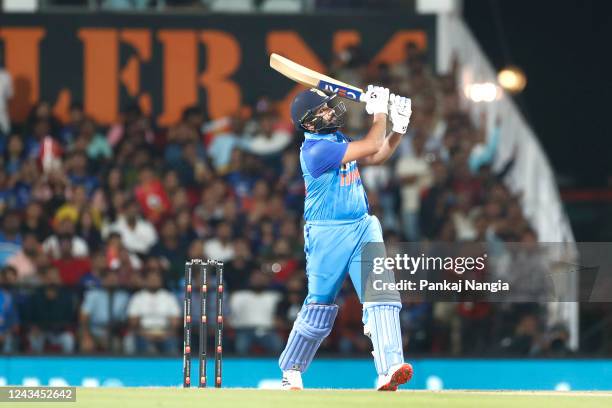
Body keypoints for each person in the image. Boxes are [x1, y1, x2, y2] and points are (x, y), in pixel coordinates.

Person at [278, 86, 413, 390]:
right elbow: (370, 143)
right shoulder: (315, 150)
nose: (330, 111)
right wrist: (380, 112)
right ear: (309, 124)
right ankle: (292, 369)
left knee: (381, 294)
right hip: (327, 233)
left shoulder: (336, 139)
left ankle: (390, 367)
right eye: (322, 111)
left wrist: (399, 128)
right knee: (320, 304)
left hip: (362, 225)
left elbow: (377, 155)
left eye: (328, 106)